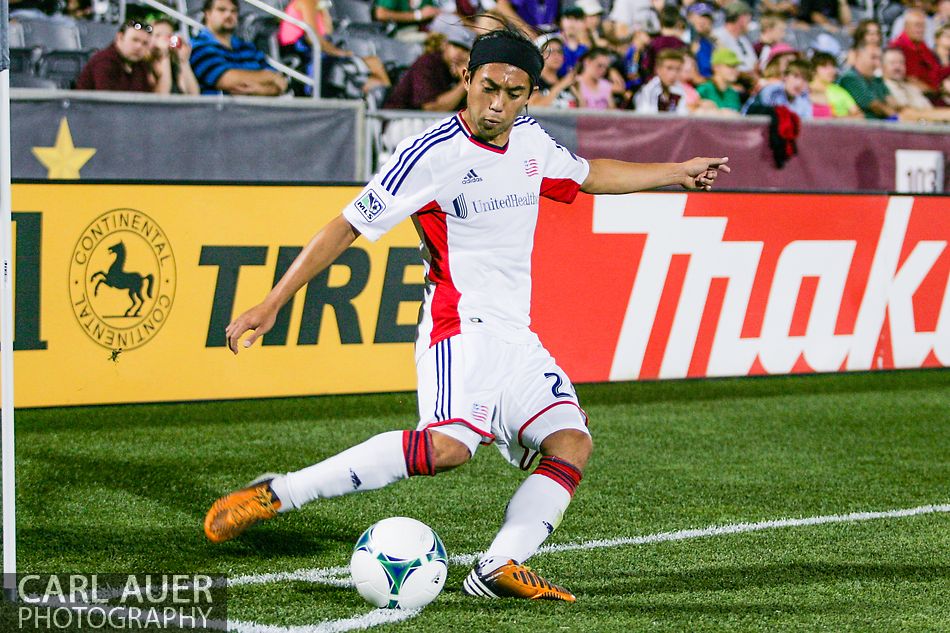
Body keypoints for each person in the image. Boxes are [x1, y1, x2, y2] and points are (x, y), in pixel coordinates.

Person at [203, 25, 730, 603]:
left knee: (571, 442)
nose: (497, 103)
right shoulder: (430, 155)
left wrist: (674, 173)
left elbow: (586, 174)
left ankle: (497, 566)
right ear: (467, 80)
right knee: (448, 448)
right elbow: (347, 225)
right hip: (458, 326)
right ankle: (278, 493)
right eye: (488, 87)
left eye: (513, 91)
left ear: (529, 95)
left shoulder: (529, 140)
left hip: (516, 335)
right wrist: (273, 301)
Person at [277, 0, 390, 97]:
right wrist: (340, 53)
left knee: (374, 63)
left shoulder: (317, 5)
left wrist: (323, 8)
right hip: (304, 57)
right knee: (373, 77)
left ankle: (385, 103)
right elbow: (314, 39)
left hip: (319, 53)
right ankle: (386, 105)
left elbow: (328, 32)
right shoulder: (307, 2)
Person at [190, 0, 288, 96]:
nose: (228, 15)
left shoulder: (247, 47)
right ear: (207, 14)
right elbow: (226, 80)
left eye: (234, 11)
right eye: (221, 10)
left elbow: (281, 82)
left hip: (258, 110)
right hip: (218, 110)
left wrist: (261, 90)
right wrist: (269, 77)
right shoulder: (198, 47)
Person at [384, 30, 474, 110]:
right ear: (445, 45)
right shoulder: (427, 63)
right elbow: (431, 108)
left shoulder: (464, 70)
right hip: (398, 119)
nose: (458, 53)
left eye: (465, 49)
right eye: (455, 46)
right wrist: (463, 84)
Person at [76, 20, 169, 93]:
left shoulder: (139, 65)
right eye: (135, 40)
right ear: (120, 37)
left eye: (145, 43)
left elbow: (152, 101)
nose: (139, 46)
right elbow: (108, 103)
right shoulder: (104, 61)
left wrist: (164, 58)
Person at [881, 46, 950, 121]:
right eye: (892, 63)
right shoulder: (881, 87)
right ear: (882, 66)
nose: (898, 66)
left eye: (901, 62)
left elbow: (928, 108)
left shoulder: (911, 88)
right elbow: (906, 113)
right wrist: (945, 114)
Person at [839, 43, 901, 119]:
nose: (877, 63)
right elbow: (875, 106)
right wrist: (899, 117)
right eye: (873, 58)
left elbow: (893, 103)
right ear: (858, 56)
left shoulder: (876, 80)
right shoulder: (849, 78)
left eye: (879, 59)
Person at [888, 8, 941, 93]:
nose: (921, 30)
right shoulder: (897, 48)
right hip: (914, 93)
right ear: (906, 27)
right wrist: (932, 91)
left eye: (923, 26)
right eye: (917, 25)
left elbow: (935, 68)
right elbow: (905, 78)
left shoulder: (922, 45)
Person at [742, 57, 812, 120]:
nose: (799, 83)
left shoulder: (804, 100)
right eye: (795, 76)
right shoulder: (771, 92)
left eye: (805, 79)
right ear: (785, 76)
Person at [150, 18, 200, 95]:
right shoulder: (146, 64)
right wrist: (164, 56)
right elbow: (162, 95)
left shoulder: (174, 64)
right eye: (158, 35)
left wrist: (184, 61)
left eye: (168, 36)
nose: (164, 39)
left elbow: (193, 94)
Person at [529, 35, 581, 108]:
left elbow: (582, 111)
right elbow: (535, 108)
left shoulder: (568, 81)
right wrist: (561, 85)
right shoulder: (533, 81)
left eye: (560, 51)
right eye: (550, 51)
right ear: (539, 55)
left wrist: (577, 91)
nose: (557, 55)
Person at [639, 5, 688, 79]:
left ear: (660, 21)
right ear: (678, 22)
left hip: (655, 81)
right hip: (675, 81)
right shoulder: (681, 44)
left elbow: (645, 65)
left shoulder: (653, 43)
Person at [634, 47, 688, 113]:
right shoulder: (649, 90)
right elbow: (649, 119)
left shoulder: (679, 89)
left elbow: (682, 115)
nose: (674, 74)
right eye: (669, 68)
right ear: (658, 69)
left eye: (678, 69)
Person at [809, 51, 861, 118]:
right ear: (814, 69)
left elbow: (859, 115)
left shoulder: (840, 91)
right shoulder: (804, 89)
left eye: (833, 66)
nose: (831, 71)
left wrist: (836, 120)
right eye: (825, 66)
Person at [713, 1, 758, 75]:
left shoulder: (743, 38)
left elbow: (754, 63)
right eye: (748, 17)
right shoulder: (718, 36)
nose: (750, 21)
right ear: (741, 18)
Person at [697, 47, 743, 112]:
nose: (735, 70)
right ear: (716, 67)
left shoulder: (733, 93)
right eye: (731, 66)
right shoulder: (704, 90)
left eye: (736, 66)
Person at [558, 6, 591, 75]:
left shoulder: (585, 48)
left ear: (584, 23)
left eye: (577, 19)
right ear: (561, 21)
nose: (572, 23)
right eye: (568, 18)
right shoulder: (552, 41)